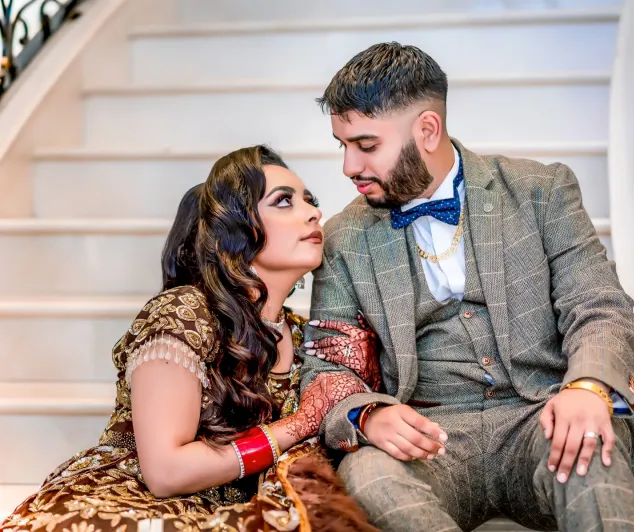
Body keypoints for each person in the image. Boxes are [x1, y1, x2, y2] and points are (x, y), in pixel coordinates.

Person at [300, 43, 634, 531]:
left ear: (427, 130)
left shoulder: (540, 191)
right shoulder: (344, 239)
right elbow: (326, 366)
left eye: (366, 146)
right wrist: (367, 415)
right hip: (432, 435)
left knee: (591, 446)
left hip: (545, 413)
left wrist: (588, 387)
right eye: (343, 146)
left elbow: (598, 305)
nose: (349, 167)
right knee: (368, 472)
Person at [1, 146, 381, 532]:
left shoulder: (303, 336)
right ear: (236, 231)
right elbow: (165, 473)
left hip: (238, 500)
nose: (314, 212)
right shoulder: (185, 313)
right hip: (137, 496)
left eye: (310, 201)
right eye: (284, 201)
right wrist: (299, 424)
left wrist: (365, 372)